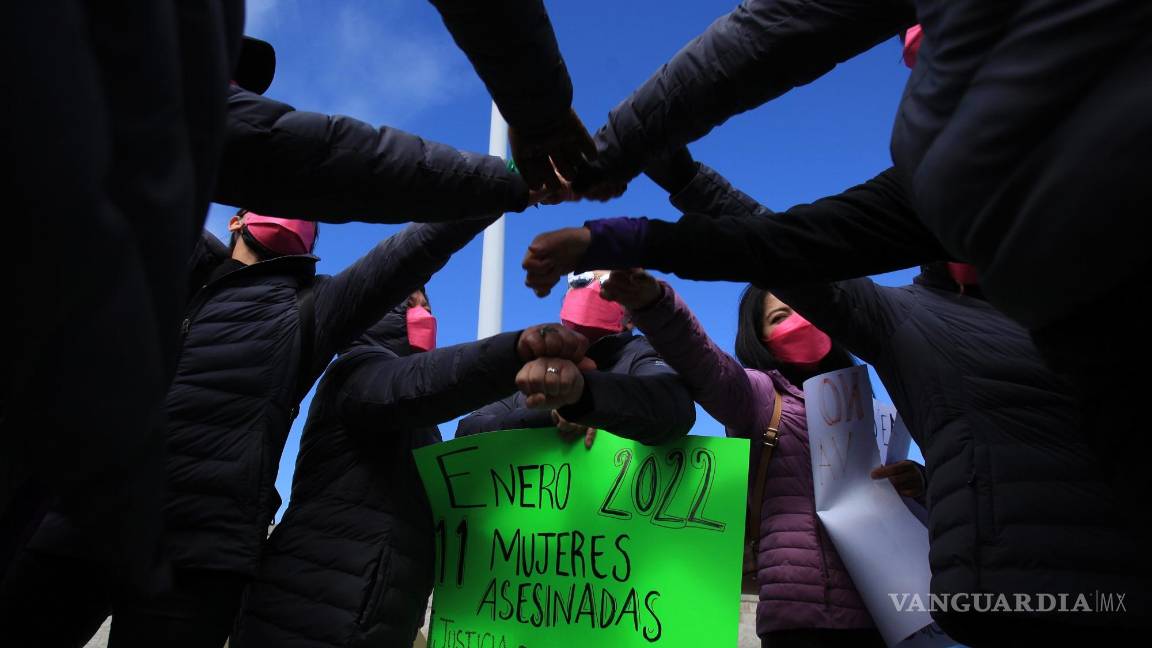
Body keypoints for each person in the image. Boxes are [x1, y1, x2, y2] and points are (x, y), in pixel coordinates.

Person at [527, 151, 1149, 643]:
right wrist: (655, 296)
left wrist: (926, 486)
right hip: (824, 614)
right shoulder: (772, 391)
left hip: (904, 607)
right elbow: (727, 329)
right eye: (777, 315)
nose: (796, 318)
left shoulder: (888, 399)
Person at [1, 212, 498, 648]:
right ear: (235, 219)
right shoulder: (169, 270)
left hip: (196, 557)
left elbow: (406, 254)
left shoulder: (310, 310)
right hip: (80, 525)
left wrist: (504, 183)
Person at [231, 292, 593, 648]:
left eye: (428, 306)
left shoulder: (422, 426)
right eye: (408, 303)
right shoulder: (356, 370)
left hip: (373, 622)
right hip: (305, 617)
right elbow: (421, 383)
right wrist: (517, 357)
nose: (423, 314)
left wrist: (545, 419)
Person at [595, 270, 879, 648]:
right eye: (780, 317)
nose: (800, 321)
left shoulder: (868, 409)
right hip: (805, 618)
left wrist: (916, 480)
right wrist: (656, 304)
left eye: (806, 308)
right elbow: (707, 364)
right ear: (760, 338)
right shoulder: (762, 396)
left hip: (885, 607)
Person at [457, 271, 696, 445]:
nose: (591, 288)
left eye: (606, 283)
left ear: (630, 318)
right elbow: (469, 428)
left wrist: (586, 401)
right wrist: (549, 415)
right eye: (581, 279)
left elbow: (674, 408)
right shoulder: (537, 368)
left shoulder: (644, 354)